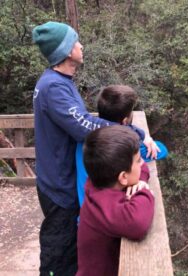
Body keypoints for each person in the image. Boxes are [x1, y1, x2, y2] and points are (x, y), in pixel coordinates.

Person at [31, 21, 158, 275]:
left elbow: (78, 117)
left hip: (59, 178)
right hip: (59, 185)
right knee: (60, 253)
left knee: (68, 250)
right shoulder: (54, 87)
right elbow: (85, 126)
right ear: (67, 52)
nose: (81, 45)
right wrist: (135, 133)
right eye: (76, 41)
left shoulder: (58, 81)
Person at [76, 126, 154, 276]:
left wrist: (139, 180)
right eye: (137, 161)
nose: (141, 163)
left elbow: (142, 169)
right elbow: (138, 223)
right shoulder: (103, 204)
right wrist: (144, 191)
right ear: (123, 177)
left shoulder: (99, 182)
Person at [76, 85, 169, 210]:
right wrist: (145, 136)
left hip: (83, 212)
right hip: (105, 215)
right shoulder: (121, 147)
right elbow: (162, 150)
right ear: (125, 121)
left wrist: (140, 134)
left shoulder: (85, 136)